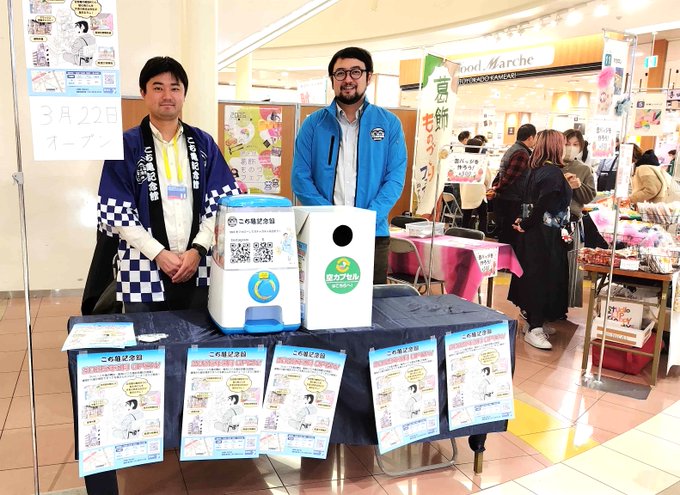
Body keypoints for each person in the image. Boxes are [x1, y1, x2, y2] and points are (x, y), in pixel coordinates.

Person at [95, 56, 240, 312]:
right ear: (143, 92)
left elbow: (222, 203)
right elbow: (116, 213)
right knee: (146, 335)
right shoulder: (126, 146)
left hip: (198, 266)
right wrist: (159, 254)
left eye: (175, 88)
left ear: (184, 94)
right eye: (158, 87)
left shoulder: (203, 143)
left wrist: (197, 249)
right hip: (142, 268)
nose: (167, 95)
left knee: (197, 334)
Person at [291, 46, 407, 284]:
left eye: (355, 72)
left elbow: (395, 179)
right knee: (320, 300)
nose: (348, 79)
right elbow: (300, 179)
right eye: (340, 73)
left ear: (368, 77)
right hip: (322, 232)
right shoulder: (313, 125)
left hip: (373, 234)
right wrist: (330, 218)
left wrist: (367, 219)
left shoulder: (389, 124)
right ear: (332, 79)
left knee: (372, 302)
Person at [508, 130, 573, 350]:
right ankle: (534, 327)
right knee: (542, 279)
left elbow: (532, 203)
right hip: (544, 236)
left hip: (534, 234)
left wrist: (525, 222)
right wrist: (527, 223)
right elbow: (543, 205)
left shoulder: (537, 170)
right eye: (564, 143)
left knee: (533, 277)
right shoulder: (552, 173)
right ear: (556, 146)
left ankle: (534, 322)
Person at [562, 129, 597, 310]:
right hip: (550, 221)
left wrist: (578, 186)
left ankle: (565, 303)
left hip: (572, 222)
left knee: (571, 264)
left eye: (575, 144)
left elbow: (588, 196)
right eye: (567, 144)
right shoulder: (551, 166)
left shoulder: (584, 169)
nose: (570, 148)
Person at [488, 123, 537, 246]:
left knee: (505, 234)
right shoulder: (522, 153)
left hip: (506, 199)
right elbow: (510, 177)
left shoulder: (513, 149)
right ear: (531, 137)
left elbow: (502, 174)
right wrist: (497, 189)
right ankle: (507, 258)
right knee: (510, 237)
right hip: (512, 200)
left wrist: (495, 188)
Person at [459, 138, 493, 233]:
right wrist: (486, 187)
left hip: (465, 193)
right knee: (483, 217)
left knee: (466, 217)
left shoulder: (461, 161)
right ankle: (481, 235)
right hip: (479, 193)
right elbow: (487, 179)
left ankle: (463, 235)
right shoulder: (481, 162)